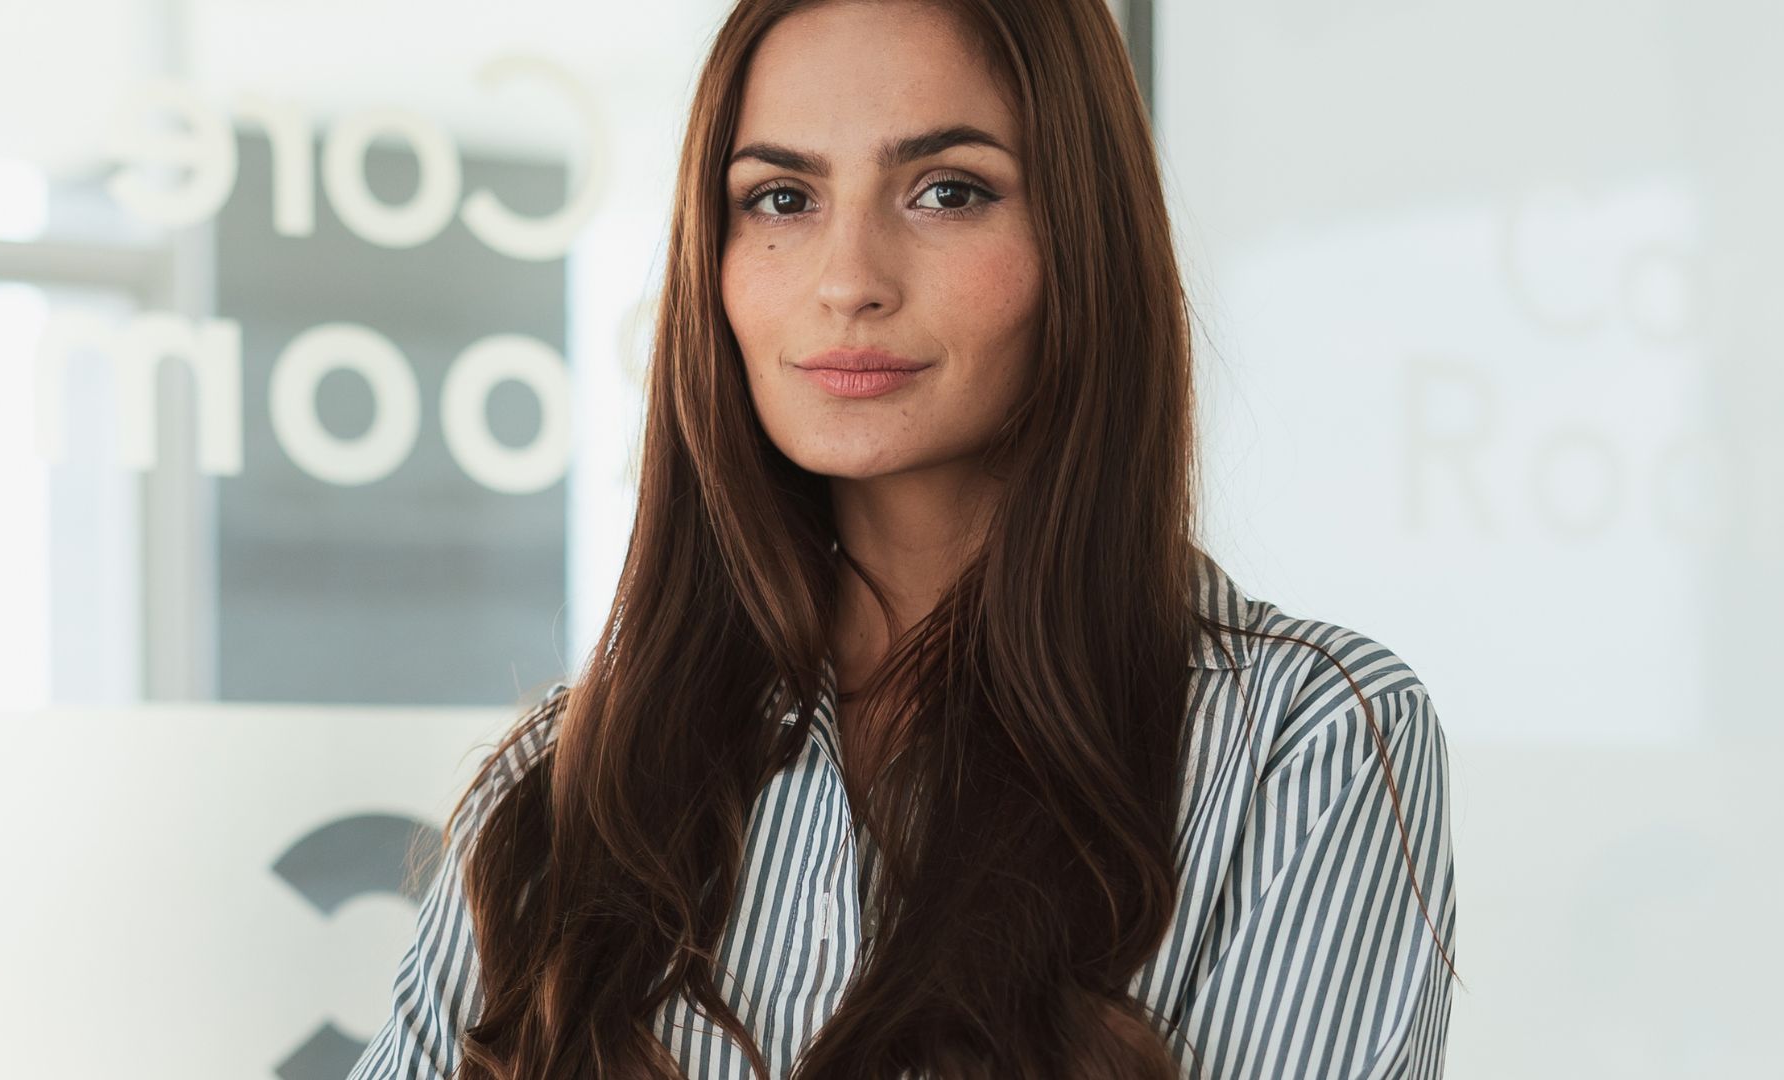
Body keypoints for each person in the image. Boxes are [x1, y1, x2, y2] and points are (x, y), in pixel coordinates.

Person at [347, 0, 1459, 1076]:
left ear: (1082, 236)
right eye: (781, 198)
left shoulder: (1303, 743)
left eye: (947, 191)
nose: (848, 283)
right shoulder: (574, 778)